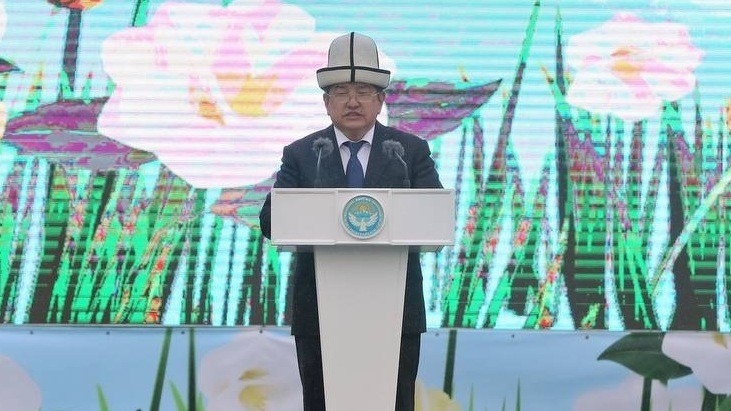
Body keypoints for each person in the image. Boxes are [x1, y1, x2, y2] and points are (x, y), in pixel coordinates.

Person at [259, 32, 443, 411]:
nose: (353, 101)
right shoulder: (302, 154)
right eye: (341, 92)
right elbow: (271, 222)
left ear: (381, 101)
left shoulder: (409, 151)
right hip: (320, 311)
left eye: (363, 92)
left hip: (395, 310)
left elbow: (435, 216)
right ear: (327, 103)